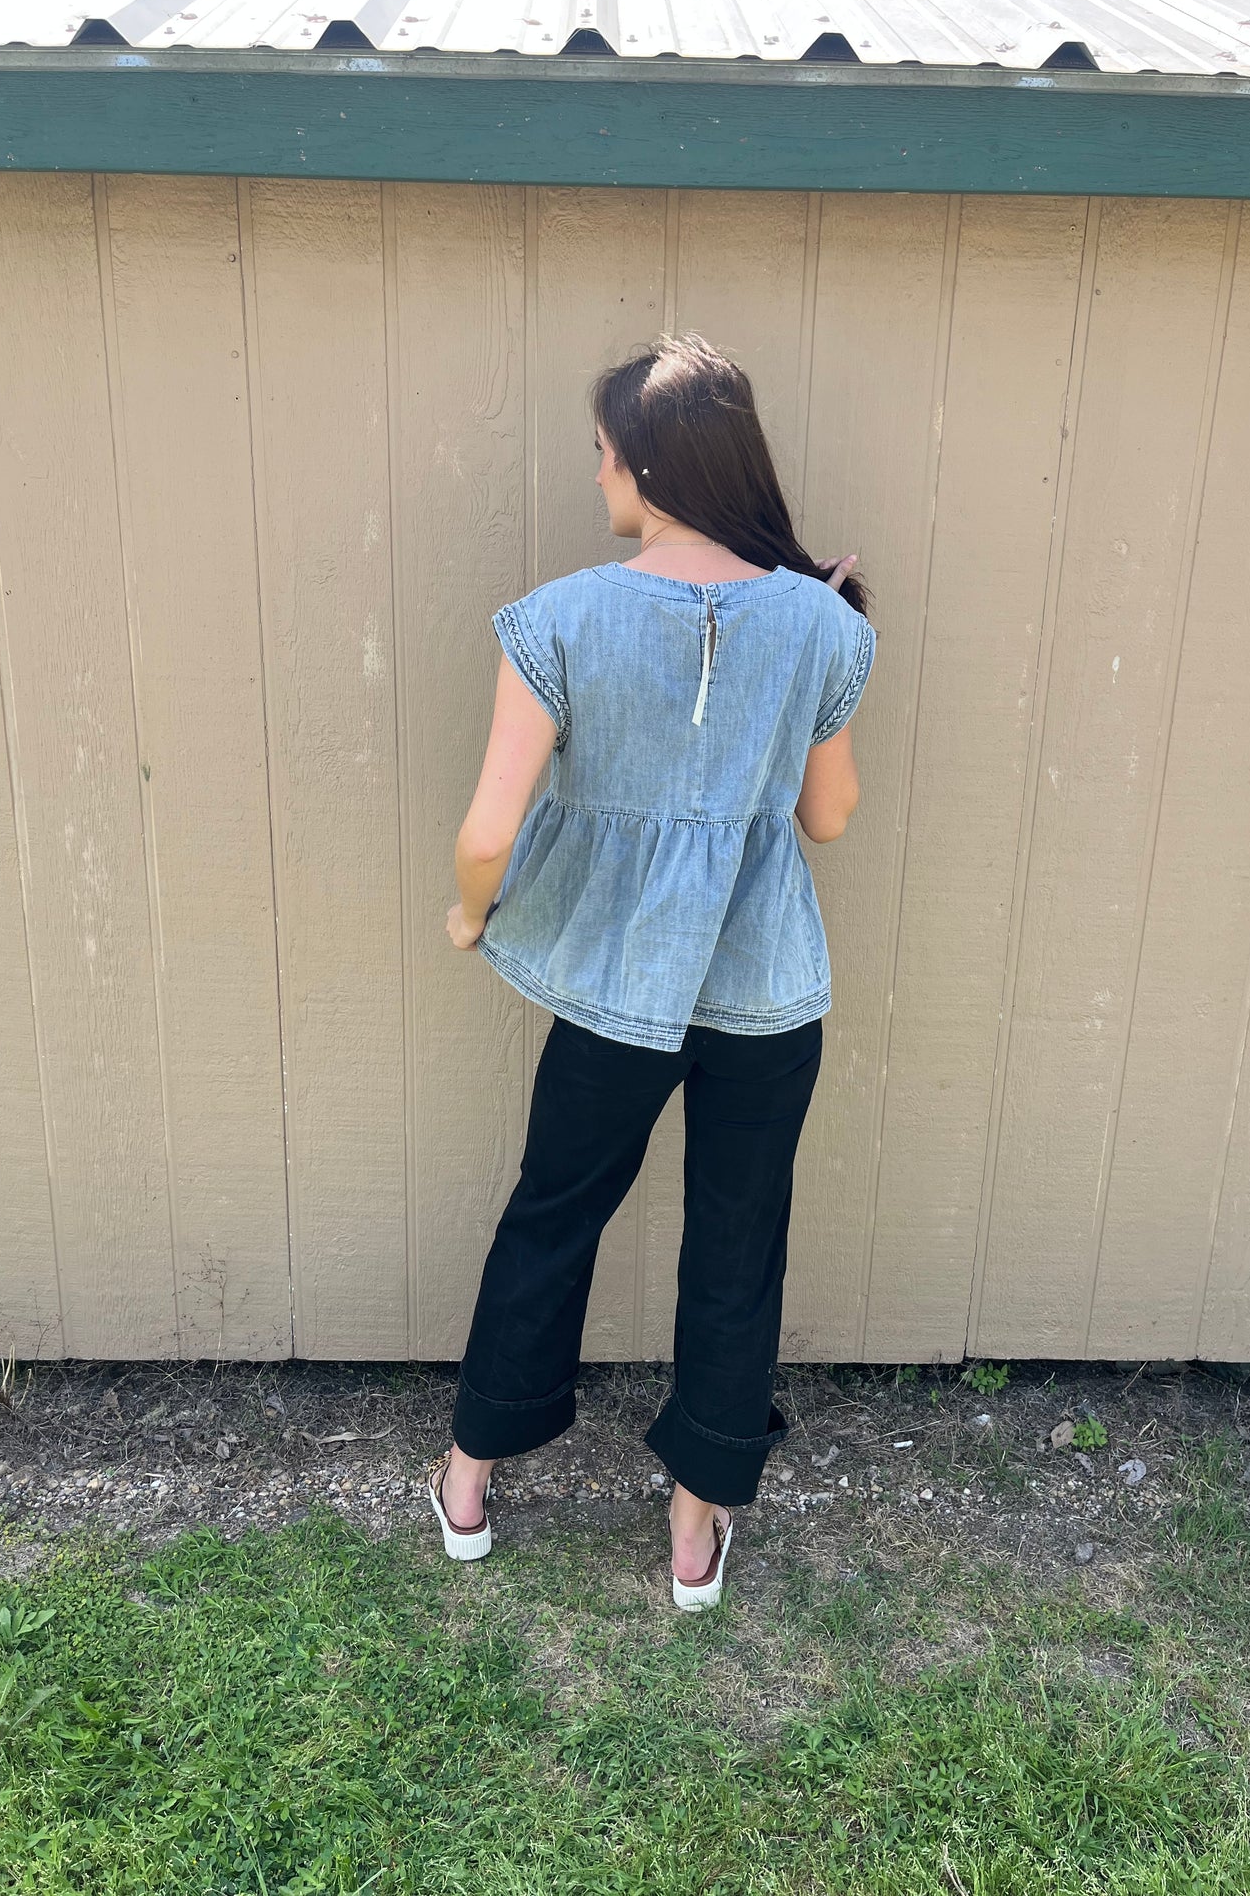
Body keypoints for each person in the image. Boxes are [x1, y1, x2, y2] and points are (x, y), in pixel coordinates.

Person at [434, 331, 877, 1609]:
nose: (596, 480)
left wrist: (473, 919)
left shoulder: (559, 617)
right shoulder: (817, 624)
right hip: (765, 992)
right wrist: (821, 634)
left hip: (615, 992)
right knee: (737, 1239)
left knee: (553, 1209)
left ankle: (469, 1480)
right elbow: (827, 819)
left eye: (598, 456)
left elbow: (484, 833)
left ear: (637, 462)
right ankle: (695, 1528)